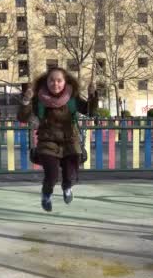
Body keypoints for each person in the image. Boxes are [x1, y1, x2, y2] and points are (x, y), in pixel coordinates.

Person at [17, 67, 98, 212]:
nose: (55, 84)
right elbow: (22, 118)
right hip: (47, 141)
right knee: (52, 175)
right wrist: (26, 101)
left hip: (70, 140)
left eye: (59, 80)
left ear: (65, 81)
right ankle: (46, 194)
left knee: (70, 173)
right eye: (52, 81)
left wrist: (93, 95)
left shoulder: (72, 97)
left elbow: (90, 111)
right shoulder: (39, 99)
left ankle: (67, 187)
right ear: (46, 82)